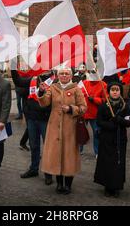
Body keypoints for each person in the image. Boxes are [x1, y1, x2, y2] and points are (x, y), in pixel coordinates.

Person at [38, 66, 87, 195]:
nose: (64, 76)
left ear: (70, 76)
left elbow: (83, 107)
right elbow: (44, 103)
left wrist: (71, 109)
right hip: (54, 127)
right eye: (62, 74)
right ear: (58, 76)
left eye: (66, 74)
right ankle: (59, 184)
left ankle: (68, 185)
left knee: (68, 156)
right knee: (56, 155)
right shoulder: (53, 88)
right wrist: (42, 92)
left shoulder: (76, 89)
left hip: (70, 128)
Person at [11, 67, 53, 185]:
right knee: (34, 146)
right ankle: (34, 169)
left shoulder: (54, 81)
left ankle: (48, 173)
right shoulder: (33, 79)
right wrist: (13, 66)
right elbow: (18, 82)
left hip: (46, 120)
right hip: (32, 119)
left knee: (47, 147)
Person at [94, 82, 130, 197]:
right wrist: (110, 125)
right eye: (112, 90)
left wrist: (119, 120)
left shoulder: (125, 106)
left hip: (120, 139)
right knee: (107, 163)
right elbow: (99, 121)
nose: (115, 92)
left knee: (118, 163)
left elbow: (129, 122)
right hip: (106, 139)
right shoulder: (104, 105)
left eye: (117, 90)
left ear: (120, 91)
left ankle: (116, 186)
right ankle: (107, 186)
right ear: (108, 92)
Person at [80, 71, 106, 157]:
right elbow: (78, 95)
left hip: (95, 113)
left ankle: (97, 151)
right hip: (83, 112)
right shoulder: (84, 83)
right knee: (80, 132)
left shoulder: (103, 85)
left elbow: (105, 100)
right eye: (91, 73)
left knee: (96, 132)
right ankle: (79, 150)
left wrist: (95, 99)